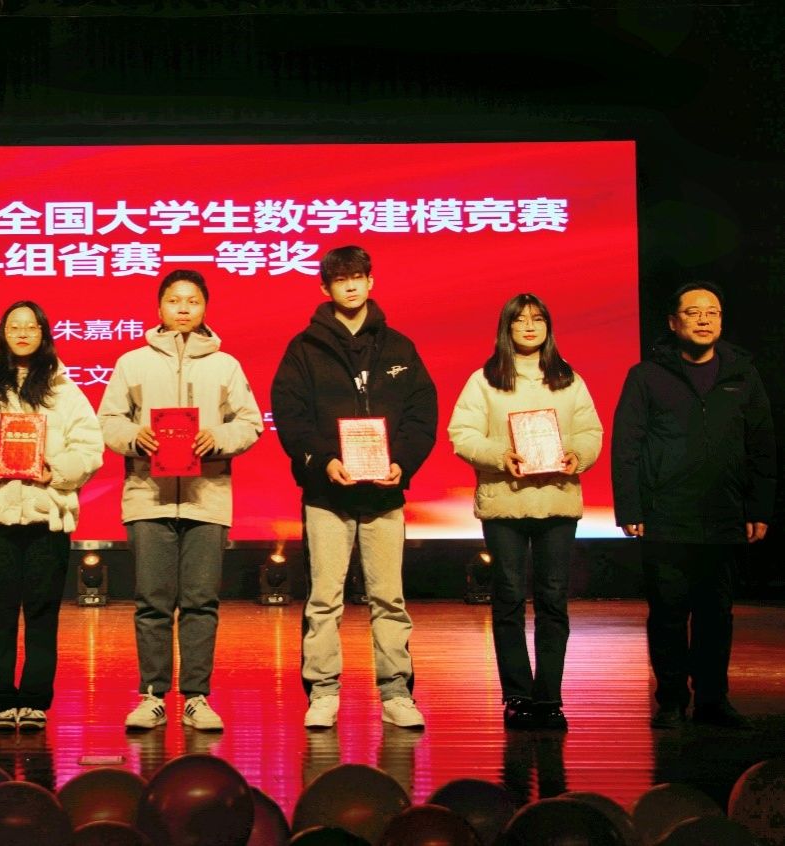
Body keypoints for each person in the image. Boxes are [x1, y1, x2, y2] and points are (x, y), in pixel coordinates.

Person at [270, 245, 437, 731]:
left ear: (370, 282)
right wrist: (324, 461)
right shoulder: (304, 349)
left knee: (389, 598)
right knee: (324, 598)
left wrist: (402, 463)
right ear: (325, 288)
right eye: (340, 279)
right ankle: (323, 691)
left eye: (358, 277)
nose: (350, 286)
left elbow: (422, 413)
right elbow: (291, 415)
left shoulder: (399, 347)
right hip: (328, 494)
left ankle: (396, 691)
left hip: (384, 493)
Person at [98, 268, 263, 732]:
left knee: (200, 602)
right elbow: (108, 420)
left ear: (205, 307)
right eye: (174, 300)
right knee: (151, 601)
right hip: (148, 498)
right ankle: (152, 696)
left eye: (193, 301)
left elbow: (250, 422)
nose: (184, 308)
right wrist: (136, 436)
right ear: (159, 307)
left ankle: (196, 697)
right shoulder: (132, 362)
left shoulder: (225, 365)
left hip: (207, 498)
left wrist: (219, 437)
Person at [612, 281, 774, 729]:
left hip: (724, 514)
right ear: (673, 322)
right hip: (666, 515)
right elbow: (626, 446)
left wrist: (759, 507)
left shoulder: (742, 374)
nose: (704, 319)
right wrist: (630, 509)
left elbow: (762, 446)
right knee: (667, 613)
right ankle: (670, 700)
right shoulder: (646, 376)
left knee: (716, 615)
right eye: (693, 312)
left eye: (713, 312)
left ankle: (712, 699)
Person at [0, 301, 104, 732]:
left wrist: (58, 471)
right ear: (3, 333)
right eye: (14, 326)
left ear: (43, 333)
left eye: (31, 326)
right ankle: (1, 701)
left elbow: (90, 446)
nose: (22, 333)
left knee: (42, 613)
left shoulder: (65, 391)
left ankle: (33, 701)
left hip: (46, 513)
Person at [447, 293, 603, 730]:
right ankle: (517, 695)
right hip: (505, 502)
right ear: (507, 328)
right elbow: (462, 434)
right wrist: (502, 456)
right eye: (520, 320)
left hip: (556, 500)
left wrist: (577, 455)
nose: (530, 327)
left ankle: (549, 697)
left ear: (549, 327)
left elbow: (591, 431)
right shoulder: (485, 380)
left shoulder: (568, 379)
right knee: (509, 599)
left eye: (538, 319)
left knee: (553, 600)